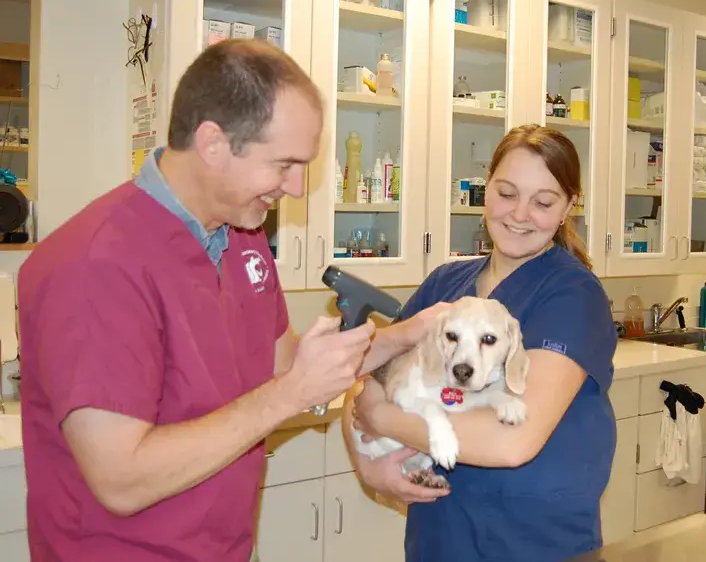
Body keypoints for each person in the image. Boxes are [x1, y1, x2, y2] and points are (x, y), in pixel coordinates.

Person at [17, 39, 439, 562]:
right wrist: (290, 395)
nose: (298, 186)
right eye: (284, 164)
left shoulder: (241, 233)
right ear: (213, 143)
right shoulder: (95, 264)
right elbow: (120, 479)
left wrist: (412, 333)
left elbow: (281, 361)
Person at [342, 124, 619, 561]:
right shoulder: (445, 284)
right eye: (506, 193)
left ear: (568, 206)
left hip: (532, 542)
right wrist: (370, 465)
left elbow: (511, 442)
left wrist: (379, 415)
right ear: (485, 188)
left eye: (543, 202)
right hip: (440, 537)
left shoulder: (571, 295)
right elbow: (370, 377)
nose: (520, 214)